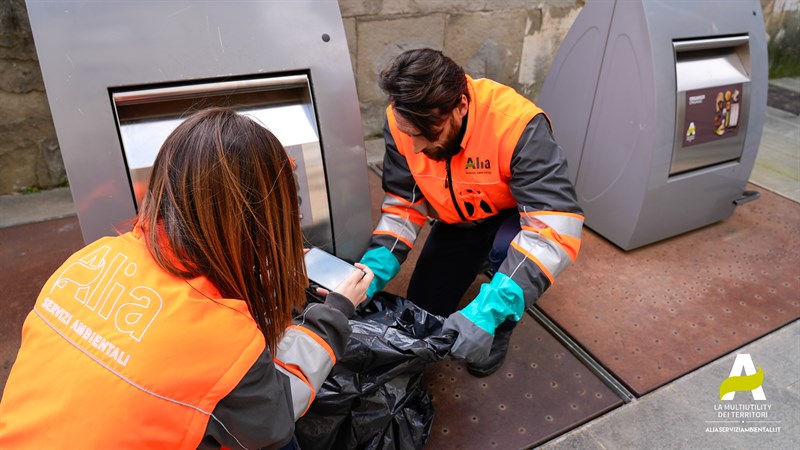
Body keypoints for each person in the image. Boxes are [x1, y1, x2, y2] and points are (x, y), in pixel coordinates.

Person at [0, 107, 374, 449]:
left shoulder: (89, 259)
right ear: (264, 217)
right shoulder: (224, 335)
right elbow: (270, 427)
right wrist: (333, 315)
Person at [359, 48, 583, 377]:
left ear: (461, 106)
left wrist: (488, 312)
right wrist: (373, 269)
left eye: (428, 135)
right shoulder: (401, 120)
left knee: (512, 263)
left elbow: (553, 231)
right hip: (459, 221)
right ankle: (480, 263)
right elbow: (405, 202)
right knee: (423, 314)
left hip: (514, 221)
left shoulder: (518, 126)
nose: (417, 148)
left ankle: (501, 320)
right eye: (410, 136)